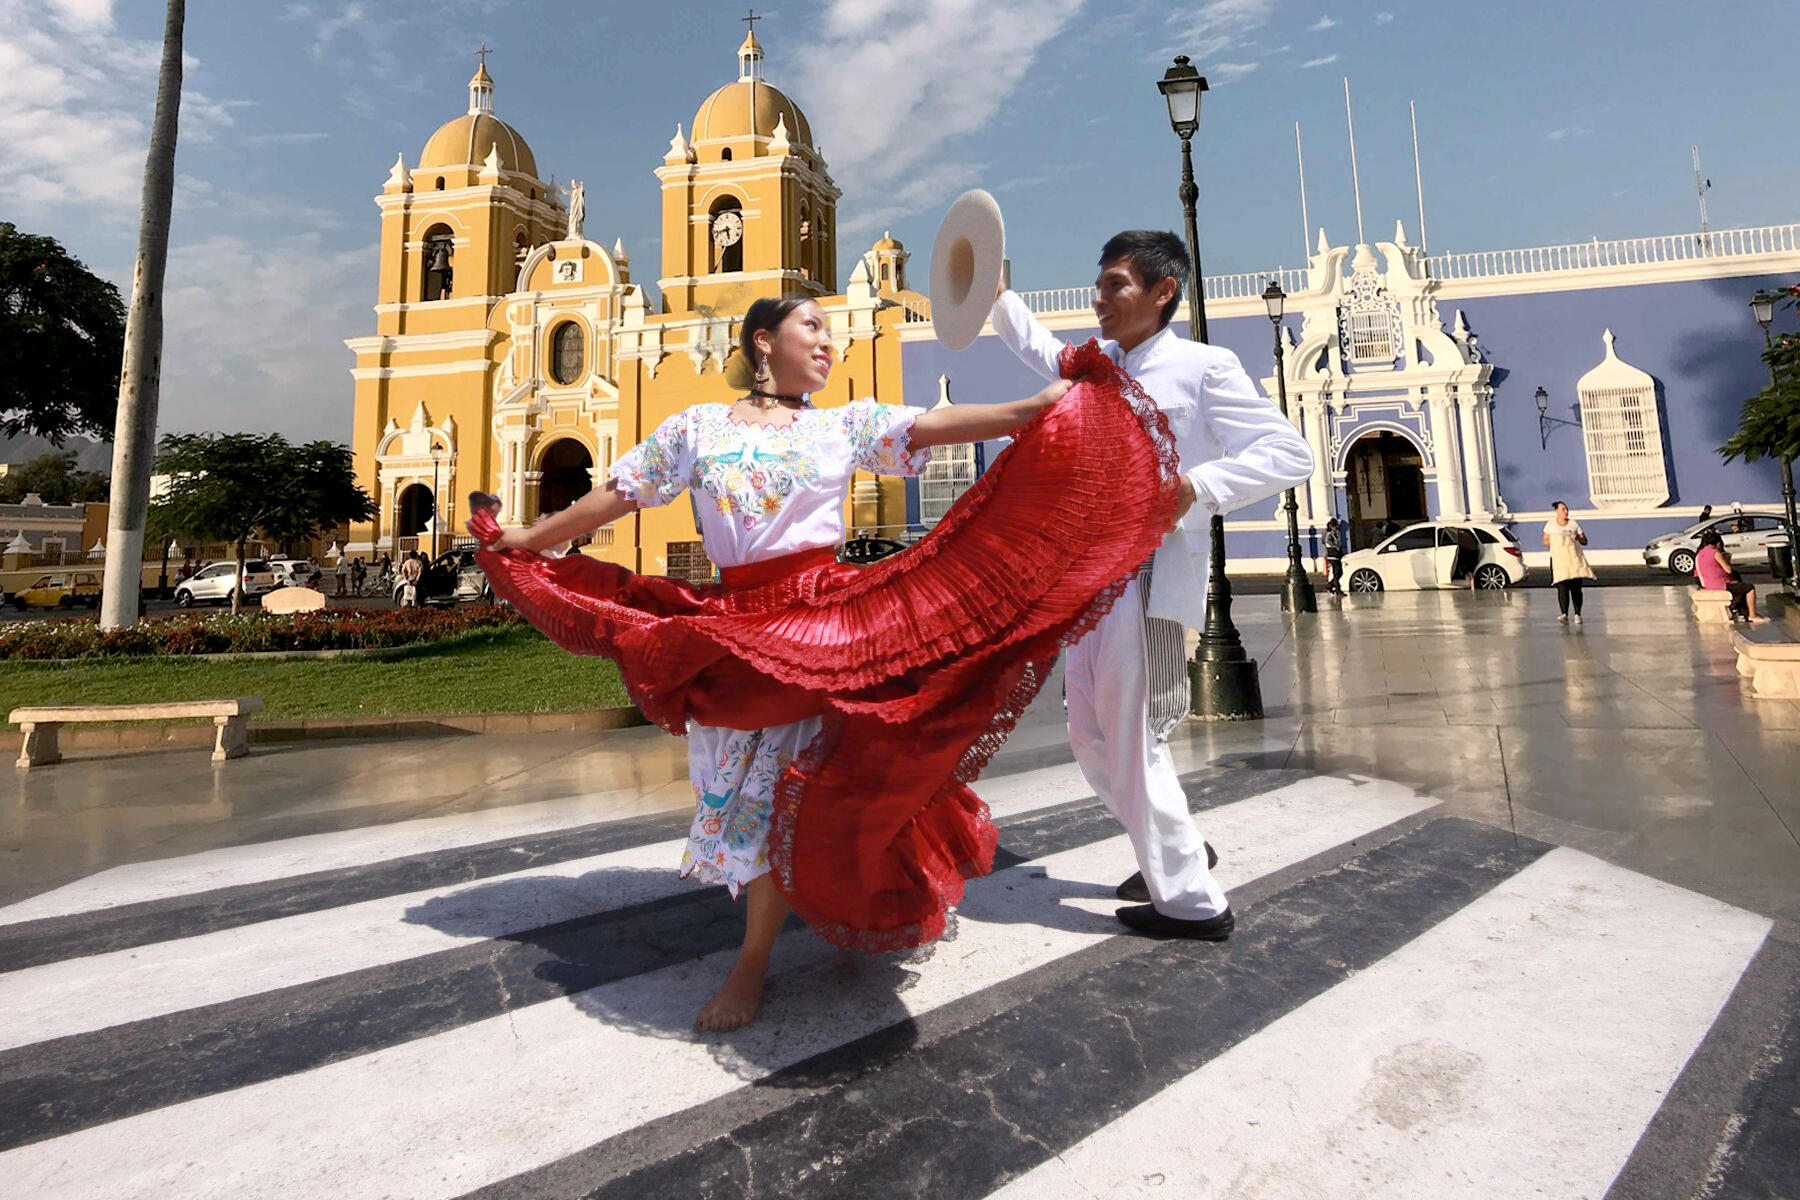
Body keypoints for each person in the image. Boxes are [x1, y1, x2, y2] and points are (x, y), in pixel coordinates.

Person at [471, 295, 1177, 1031]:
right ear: (762, 340)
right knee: (738, 790)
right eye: (812, 327)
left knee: (787, 789)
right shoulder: (696, 429)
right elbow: (613, 498)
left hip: (825, 624)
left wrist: (1028, 409)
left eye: (831, 333)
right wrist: (526, 536)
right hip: (737, 629)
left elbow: (927, 425)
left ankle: (751, 964)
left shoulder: (840, 425)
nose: (827, 343)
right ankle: (774, 921)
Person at [990, 230, 1314, 941]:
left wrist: (1194, 487)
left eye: (1115, 284)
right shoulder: (1096, 364)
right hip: (1089, 581)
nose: (1098, 297)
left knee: (1133, 737)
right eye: (1099, 283)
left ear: (1163, 291)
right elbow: (1041, 349)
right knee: (1089, 735)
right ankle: (1180, 850)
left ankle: (1192, 901)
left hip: (1149, 576)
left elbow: (1291, 453)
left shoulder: (1204, 366)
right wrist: (991, 288)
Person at [1543, 500, 1595, 624]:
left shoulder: (1573, 524)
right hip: (1559, 560)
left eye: (1566, 509)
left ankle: (1577, 614)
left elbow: (1584, 541)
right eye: (1563, 509)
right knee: (1562, 588)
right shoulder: (1550, 525)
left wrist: (1577, 537)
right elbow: (1545, 541)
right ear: (1556, 511)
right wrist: (1558, 540)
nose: (1566, 511)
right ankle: (1564, 614)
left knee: (1576, 588)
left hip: (1574, 560)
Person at [1695, 528, 1760, 621]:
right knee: (1749, 588)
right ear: (1718, 543)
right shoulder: (1715, 553)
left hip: (1707, 585)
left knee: (1738, 585)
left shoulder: (1699, 554)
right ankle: (1752, 615)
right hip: (1721, 585)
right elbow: (1728, 570)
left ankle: (1740, 610)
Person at [1450, 524, 1480, 589]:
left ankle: (1471, 585)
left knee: (1469, 571)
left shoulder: (1461, 537)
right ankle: (1472, 585)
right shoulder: (1467, 535)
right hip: (1472, 553)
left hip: (1468, 554)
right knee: (1470, 571)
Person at [1323, 516, 1345, 595]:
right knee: (1336, 573)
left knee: (1339, 573)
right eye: (1335, 526)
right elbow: (1328, 543)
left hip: (1337, 555)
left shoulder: (1336, 534)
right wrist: (1336, 547)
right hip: (1333, 555)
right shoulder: (1329, 535)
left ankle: (1330, 586)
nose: (1336, 528)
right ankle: (1338, 590)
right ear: (1331, 526)